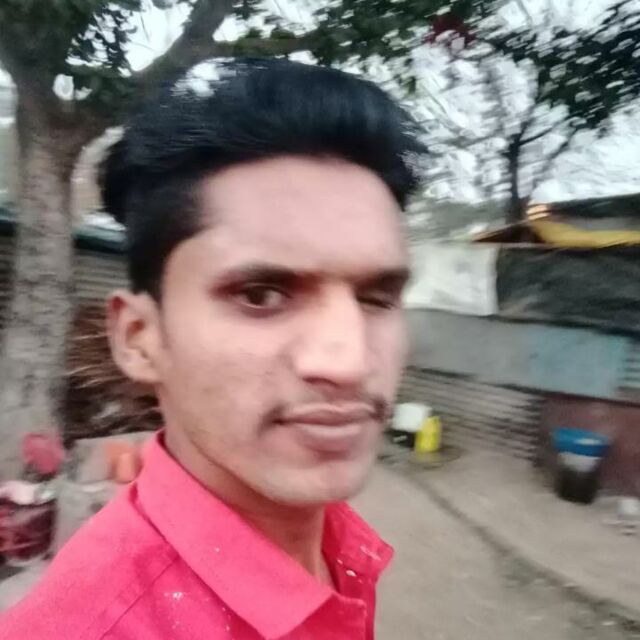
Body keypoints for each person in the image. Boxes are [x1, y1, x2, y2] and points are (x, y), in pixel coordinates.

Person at [0, 58, 425, 639]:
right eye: (261, 295)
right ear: (139, 339)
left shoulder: (332, 538)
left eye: (376, 298)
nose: (350, 362)